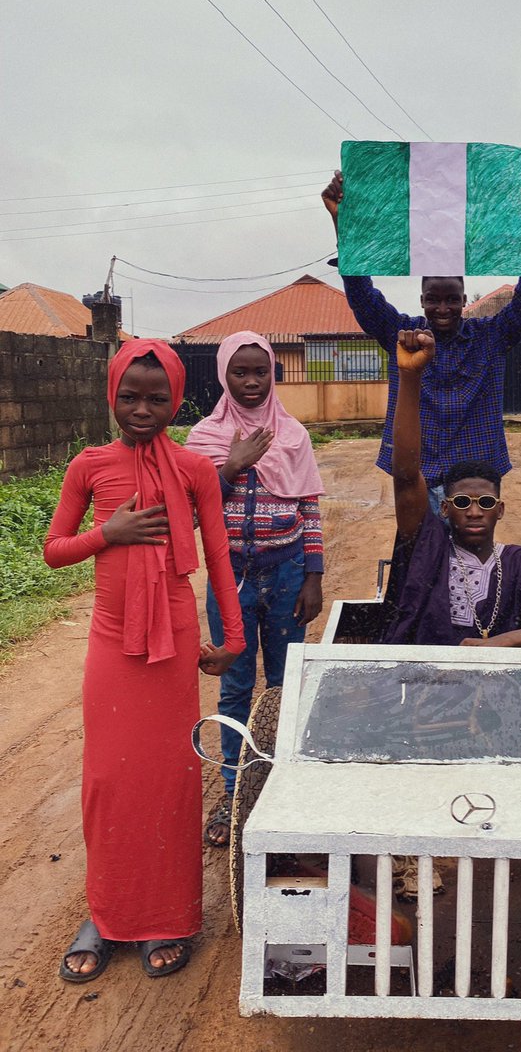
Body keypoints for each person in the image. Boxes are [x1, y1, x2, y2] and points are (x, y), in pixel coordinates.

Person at [44, 340, 244, 983]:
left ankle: (169, 917)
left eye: (157, 398)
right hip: (111, 640)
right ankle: (106, 913)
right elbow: (54, 550)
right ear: (111, 394)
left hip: (175, 640)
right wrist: (111, 534)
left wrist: (233, 638)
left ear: (178, 400)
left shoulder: (195, 469)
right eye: (129, 396)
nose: (142, 409)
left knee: (169, 779)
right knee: (107, 781)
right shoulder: (89, 466)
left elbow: (218, 556)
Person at [322, 170, 521, 512]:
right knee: (419, 561)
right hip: (417, 474)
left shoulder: (489, 336)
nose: (443, 308)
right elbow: (362, 296)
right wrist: (343, 222)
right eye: (434, 299)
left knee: (473, 564)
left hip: (476, 478)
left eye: (452, 299)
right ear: (422, 299)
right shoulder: (401, 335)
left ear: (463, 300)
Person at [186, 331, 325, 847]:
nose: (250, 382)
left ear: (273, 374)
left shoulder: (292, 434)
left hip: (288, 574)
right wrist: (231, 466)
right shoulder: (204, 436)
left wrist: (314, 575)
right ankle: (235, 791)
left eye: (259, 371)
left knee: (288, 684)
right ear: (223, 374)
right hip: (230, 580)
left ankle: (289, 783)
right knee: (236, 686)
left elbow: (308, 507)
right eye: (238, 372)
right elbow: (190, 507)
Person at [383, 329, 521, 649]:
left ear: (500, 509)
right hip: (425, 686)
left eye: (485, 502)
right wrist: (410, 376)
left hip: (497, 689)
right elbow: (404, 475)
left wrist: (497, 644)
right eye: (461, 502)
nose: (473, 511)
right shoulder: (428, 547)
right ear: (444, 508)